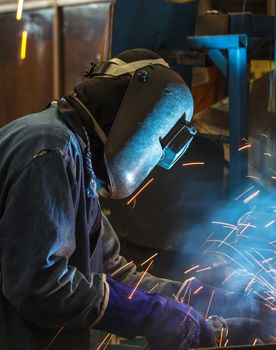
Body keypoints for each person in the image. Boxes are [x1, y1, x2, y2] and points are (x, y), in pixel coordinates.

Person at [0, 49, 215, 350]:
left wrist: (200, 300)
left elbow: (109, 269)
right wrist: (149, 314)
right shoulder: (51, 151)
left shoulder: (75, 153)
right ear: (143, 119)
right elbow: (40, 286)